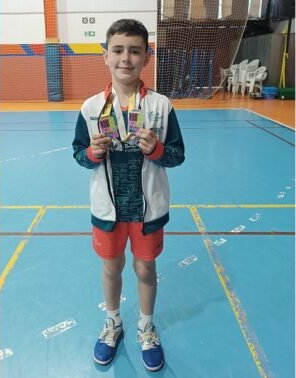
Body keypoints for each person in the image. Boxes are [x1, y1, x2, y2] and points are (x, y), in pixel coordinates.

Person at [71, 19, 185, 372]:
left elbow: (178, 155)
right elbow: (78, 154)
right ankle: (114, 323)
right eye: (118, 50)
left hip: (147, 209)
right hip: (108, 208)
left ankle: (146, 326)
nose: (126, 58)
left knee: (145, 267)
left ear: (146, 56)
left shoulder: (162, 106)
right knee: (111, 267)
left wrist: (156, 150)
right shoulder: (91, 108)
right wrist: (92, 152)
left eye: (135, 51)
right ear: (105, 56)